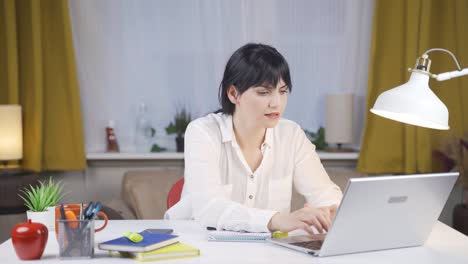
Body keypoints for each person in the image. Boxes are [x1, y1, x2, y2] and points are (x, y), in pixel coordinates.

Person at [165, 43, 343, 235]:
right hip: (200, 247)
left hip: (267, 252)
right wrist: (276, 220)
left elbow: (325, 194)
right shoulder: (203, 132)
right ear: (234, 94)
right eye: (263, 92)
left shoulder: (291, 135)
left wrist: (328, 209)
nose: (276, 103)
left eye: (282, 91)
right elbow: (208, 208)